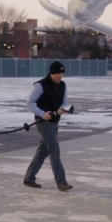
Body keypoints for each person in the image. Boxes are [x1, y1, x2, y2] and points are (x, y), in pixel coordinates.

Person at [24, 61, 73, 191]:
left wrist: (63, 109)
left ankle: (29, 178)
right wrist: (41, 113)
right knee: (54, 151)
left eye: (62, 73)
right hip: (43, 123)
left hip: (55, 121)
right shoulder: (41, 85)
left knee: (43, 151)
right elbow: (30, 102)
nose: (60, 76)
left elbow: (64, 101)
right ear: (51, 73)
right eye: (57, 73)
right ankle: (61, 182)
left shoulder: (63, 85)